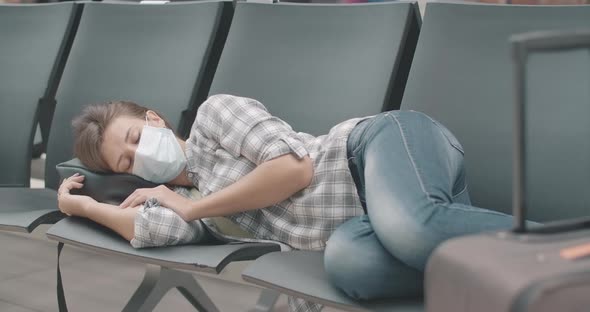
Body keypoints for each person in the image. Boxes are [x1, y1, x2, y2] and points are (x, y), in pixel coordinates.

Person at [58, 94, 518, 304]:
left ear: (154, 118)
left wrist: (195, 206)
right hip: (369, 226)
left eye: (136, 137)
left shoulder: (214, 117)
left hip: (378, 149)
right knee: (351, 267)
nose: (140, 153)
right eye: (126, 162)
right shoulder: (176, 198)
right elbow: (148, 229)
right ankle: (501, 272)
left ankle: (571, 250)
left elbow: (295, 168)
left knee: (413, 228)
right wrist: (79, 205)